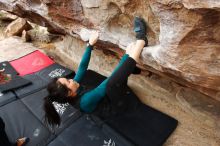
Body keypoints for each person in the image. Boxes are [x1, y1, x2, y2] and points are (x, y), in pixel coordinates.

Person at [44, 17, 148, 127]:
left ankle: (133, 68)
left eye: (68, 79)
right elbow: (108, 83)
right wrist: (127, 55)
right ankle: (142, 40)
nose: (71, 79)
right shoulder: (85, 102)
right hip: (116, 106)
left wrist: (90, 44)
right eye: (68, 82)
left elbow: (82, 68)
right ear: (69, 93)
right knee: (112, 83)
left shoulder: (72, 89)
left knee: (120, 72)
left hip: (104, 96)